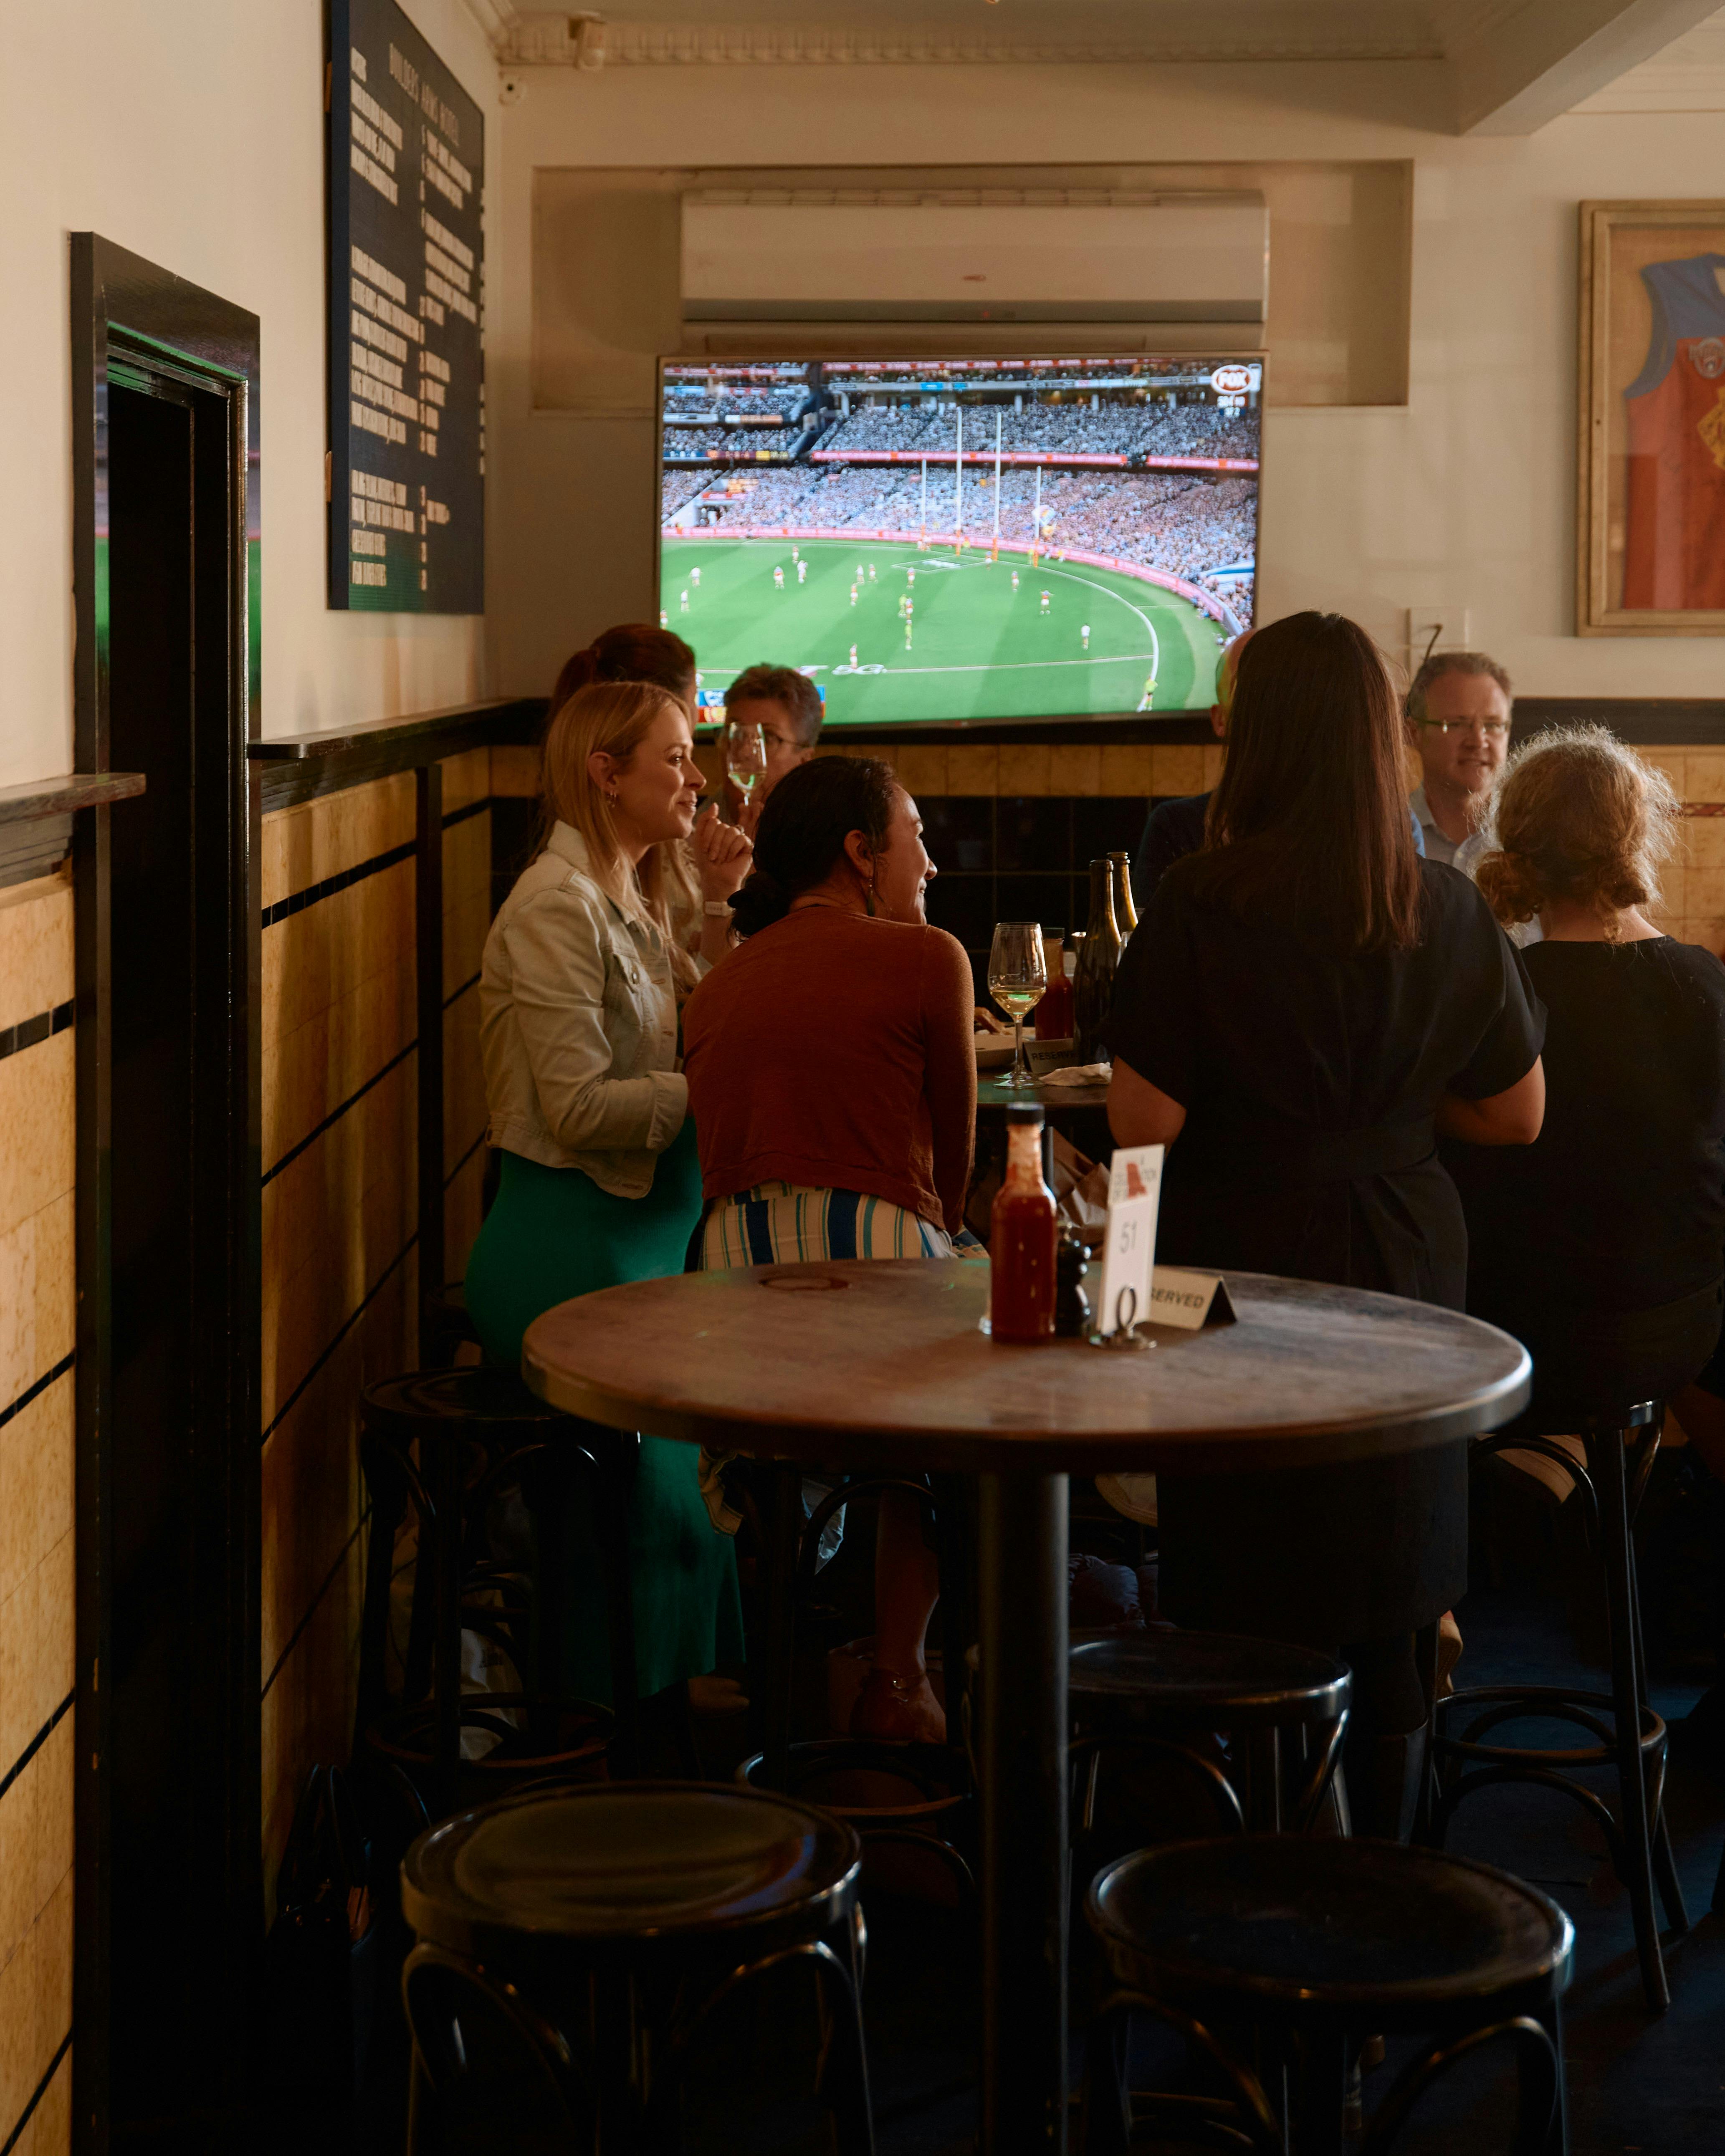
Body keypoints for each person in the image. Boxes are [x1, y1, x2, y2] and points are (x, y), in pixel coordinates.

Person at [1104, 611, 1547, 1839]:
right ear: (1376, 741)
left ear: (1258, 741)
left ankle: (1255, 1841)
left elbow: (1142, 1123)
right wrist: (1389, 1109)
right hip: (1405, 1249)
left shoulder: (1198, 900)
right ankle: (1380, 1854)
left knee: (1250, 1554)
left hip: (1237, 1261)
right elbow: (1515, 1111)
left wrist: (1118, 1298)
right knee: (1393, 1546)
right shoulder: (1443, 904)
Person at [463, 681, 752, 1708]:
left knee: (698, 1465)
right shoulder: (555, 904)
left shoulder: (627, 885)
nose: (696, 777)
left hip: (646, 1248)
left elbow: (701, 1020)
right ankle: (608, 1723)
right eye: (673, 757)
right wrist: (712, 1091)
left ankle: (656, 1717)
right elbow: (579, 1107)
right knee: (661, 1483)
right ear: (605, 773)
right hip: (571, 1249)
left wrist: (716, 903)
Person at [683, 756, 977, 1741]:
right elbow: (953, 1176)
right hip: (882, 1274)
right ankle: (900, 1675)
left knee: (806, 1450)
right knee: (976, 1396)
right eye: (914, 836)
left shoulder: (715, 987)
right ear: (860, 853)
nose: (928, 862)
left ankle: (784, 1685)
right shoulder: (929, 956)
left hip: (732, 1298)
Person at [1452, 725, 1725, 1420]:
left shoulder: (1506, 991)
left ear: (1517, 844)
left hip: (1543, 1334)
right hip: (1687, 1320)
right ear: (1636, 837)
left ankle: (1546, 1467)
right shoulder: (1703, 978)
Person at [1132, 626, 1424, 912]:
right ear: (1221, 719)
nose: (1275, 709)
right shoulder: (1176, 829)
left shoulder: (1394, 825)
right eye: (1254, 693)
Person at [1406, 650, 1513, 867]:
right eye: (1456, 724)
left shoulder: (1534, 835)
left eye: (1493, 725)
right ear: (1414, 733)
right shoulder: (1388, 827)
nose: (1478, 742)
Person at [720, 664, 824, 828]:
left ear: (803, 762)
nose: (744, 751)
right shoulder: (689, 833)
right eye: (735, 733)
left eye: (767, 738)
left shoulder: (822, 834)